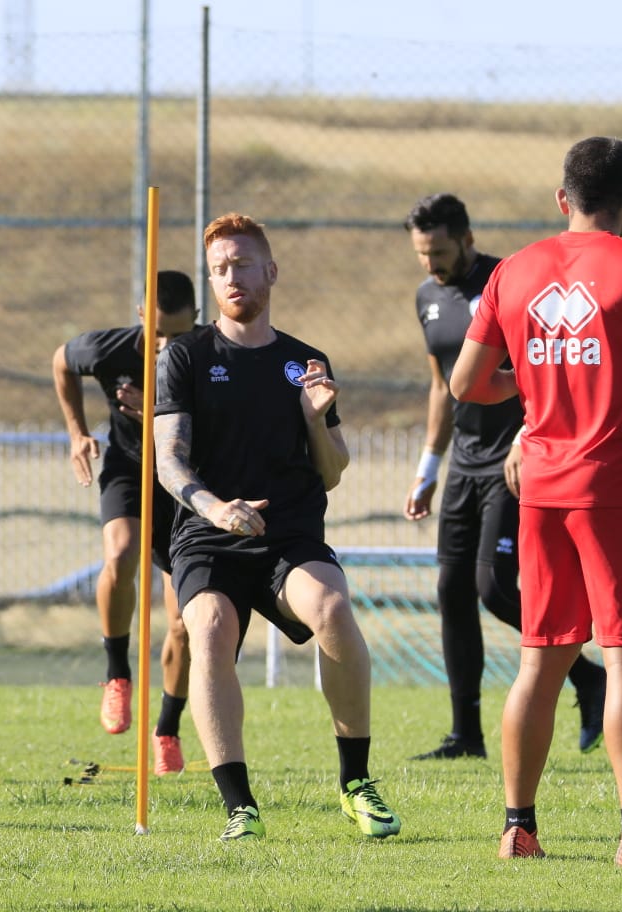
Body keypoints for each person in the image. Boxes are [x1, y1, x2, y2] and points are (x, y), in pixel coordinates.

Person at [450, 136, 622, 865]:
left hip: (539, 487)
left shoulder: (514, 271)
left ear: (561, 196)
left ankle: (518, 828)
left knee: (541, 658)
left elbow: (467, 385)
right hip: (617, 489)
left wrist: (530, 392)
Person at [153, 212, 400, 842]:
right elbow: (168, 458)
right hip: (209, 535)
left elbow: (335, 471)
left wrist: (317, 419)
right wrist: (215, 508)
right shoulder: (184, 355)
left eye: (241, 264)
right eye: (218, 269)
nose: (230, 277)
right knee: (207, 627)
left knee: (335, 611)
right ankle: (240, 805)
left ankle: (356, 784)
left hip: (289, 534)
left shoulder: (304, 362)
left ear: (271, 271)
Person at [402, 193, 607, 760]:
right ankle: (465, 734)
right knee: (451, 589)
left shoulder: (510, 282)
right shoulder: (427, 297)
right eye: (421, 253)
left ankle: (587, 676)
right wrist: (429, 467)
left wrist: (524, 434)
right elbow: (443, 384)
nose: (430, 264)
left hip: (517, 459)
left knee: (493, 585)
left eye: (439, 251)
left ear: (467, 238)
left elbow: (547, 365)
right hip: (464, 462)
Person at [51, 270, 196, 775]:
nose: (165, 345)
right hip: (130, 473)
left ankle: (168, 731)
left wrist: (151, 410)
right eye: (157, 333)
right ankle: (117, 675)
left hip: (187, 485)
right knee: (119, 553)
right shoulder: (109, 350)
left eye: (177, 334)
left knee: (183, 623)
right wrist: (76, 433)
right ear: (140, 317)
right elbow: (61, 362)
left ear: (196, 322)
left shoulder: (210, 356)